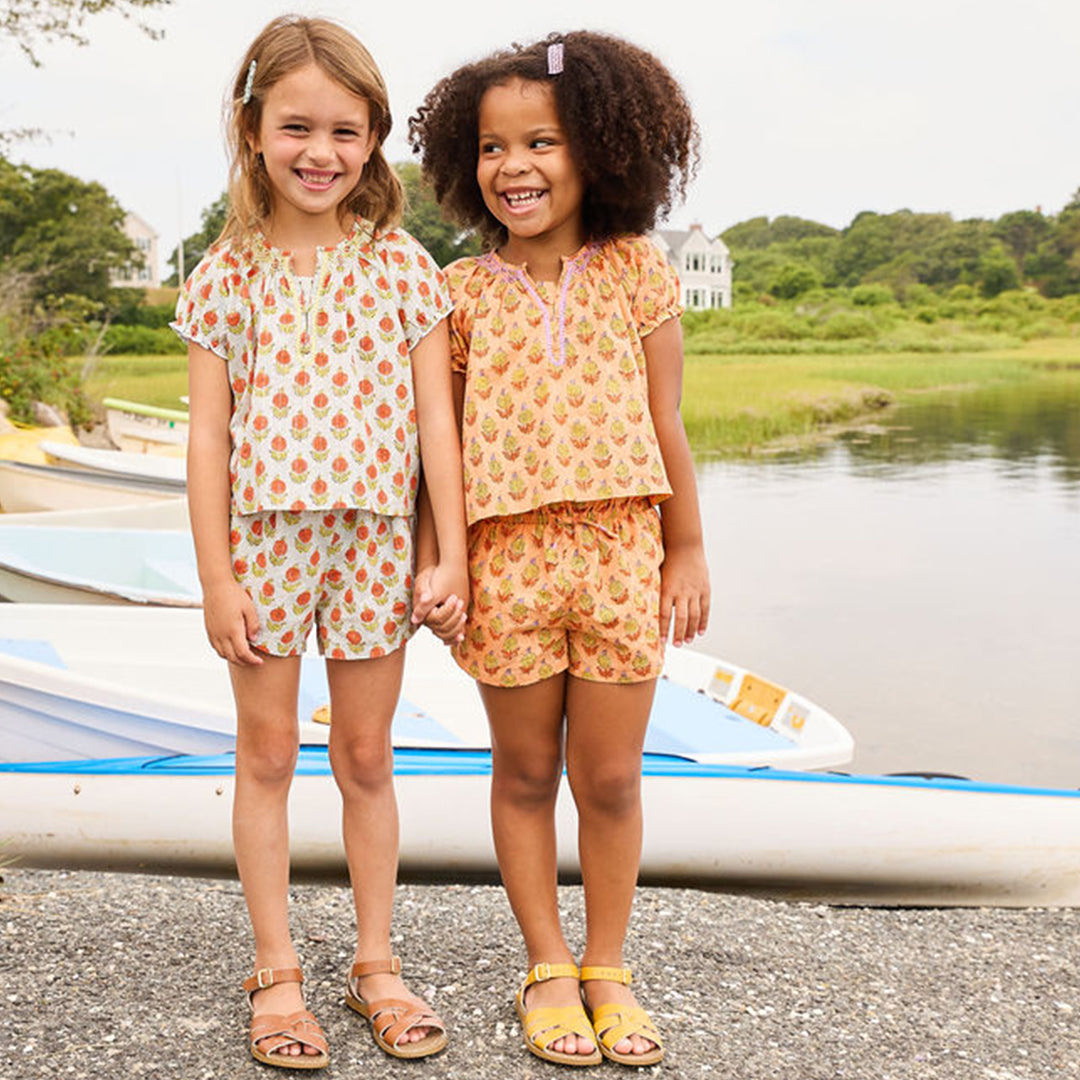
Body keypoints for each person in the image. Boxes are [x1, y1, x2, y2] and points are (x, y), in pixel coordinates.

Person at [408, 30, 710, 1068]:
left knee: (612, 779)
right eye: (492, 149)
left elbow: (669, 422)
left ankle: (609, 965)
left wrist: (687, 550)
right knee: (527, 771)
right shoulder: (459, 297)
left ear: (601, 150)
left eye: (541, 142)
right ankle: (546, 964)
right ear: (464, 163)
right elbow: (434, 451)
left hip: (623, 550)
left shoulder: (639, 273)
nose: (515, 167)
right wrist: (437, 561)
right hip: (508, 562)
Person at [173, 14, 467, 1070]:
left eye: (348, 131)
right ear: (254, 130)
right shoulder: (227, 273)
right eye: (297, 126)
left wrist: (454, 553)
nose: (321, 152)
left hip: (376, 543)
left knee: (366, 756)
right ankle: (278, 971)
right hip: (264, 543)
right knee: (266, 754)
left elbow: (440, 426)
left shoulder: (405, 268)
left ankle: (376, 965)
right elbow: (208, 437)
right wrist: (216, 577)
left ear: (374, 139)